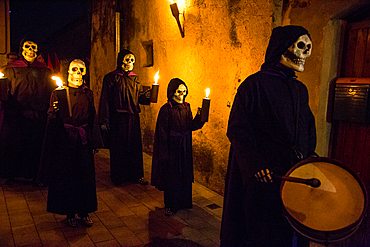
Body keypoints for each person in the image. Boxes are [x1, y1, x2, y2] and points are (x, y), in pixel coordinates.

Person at [220, 25, 317, 247]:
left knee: (290, 230)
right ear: (282, 48)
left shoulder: (300, 90)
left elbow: (307, 128)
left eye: (308, 48)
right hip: (265, 175)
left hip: (292, 173)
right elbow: (238, 129)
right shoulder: (253, 85)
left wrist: (309, 156)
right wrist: (255, 164)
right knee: (262, 231)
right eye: (300, 46)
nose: (305, 54)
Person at [45, 59, 97, 227]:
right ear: (68, 73)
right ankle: (69, 213)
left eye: (81, 70)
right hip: (65, 141)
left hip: (83, 141)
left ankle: (84, 211)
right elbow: (51, 117)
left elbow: (92, 117)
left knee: (85, 176)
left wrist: (94, 140)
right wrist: (55, 112)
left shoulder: (88, 93)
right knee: (68, 177)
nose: (78, 74)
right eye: (74, 70)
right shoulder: (58, 92)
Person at [0, 39, 54, 185]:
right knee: (15, 145)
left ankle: (34, 174)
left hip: (37, 116)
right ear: (21, 50)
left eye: (33, 47)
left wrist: (41, 109)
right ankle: (13, 175)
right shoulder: (10, 70)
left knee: (35, 145)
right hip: (17, 117)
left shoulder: (44, 71)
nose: (30, 50)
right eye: (27, 47)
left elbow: (49, 92)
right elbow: (6, 94)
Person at [151, 78, 205, 216]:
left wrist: (200, 118)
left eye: (184, 91)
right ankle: (171, 204)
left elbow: (191, 126)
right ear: (172, 92)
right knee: (172, 176)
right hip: (172, 147)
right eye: (179, 91)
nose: (182, 94)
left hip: (184, 146)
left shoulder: (187, 107)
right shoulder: (166, 109)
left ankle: (184, 201)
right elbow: (162, 133)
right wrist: (164, 153)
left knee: (184, 173)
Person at [99, 49, 151, 186]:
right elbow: (105, 100)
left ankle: (136, 175)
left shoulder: (135, 78)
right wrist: (104, 120)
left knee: (134, 148)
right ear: (121, 60)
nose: (130, 63)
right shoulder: (111, 78)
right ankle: (119, 176)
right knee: (119, 148)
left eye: (132, 60)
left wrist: (149, 96)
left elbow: (139, 98)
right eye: (127, 60)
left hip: (133, 119)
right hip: (118, 119)